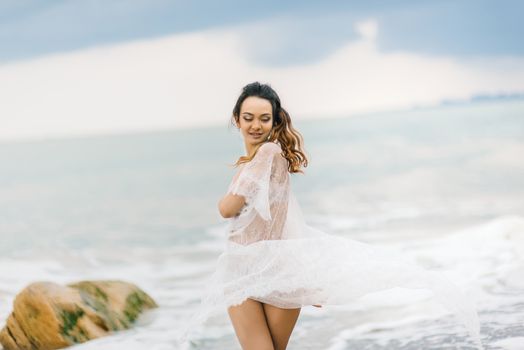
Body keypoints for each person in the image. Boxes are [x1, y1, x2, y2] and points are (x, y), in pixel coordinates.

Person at [178, 82, 483, 350]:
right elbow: (284, 222)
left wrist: (225, 200)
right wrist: (303, 277)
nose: (255, 125)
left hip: (251, 272)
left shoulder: (268, 153)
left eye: (264, 118)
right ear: (237, 119)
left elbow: (226, 209)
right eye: (248, 118)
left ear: (274, 122)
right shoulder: (261, 162)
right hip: (273, 272)